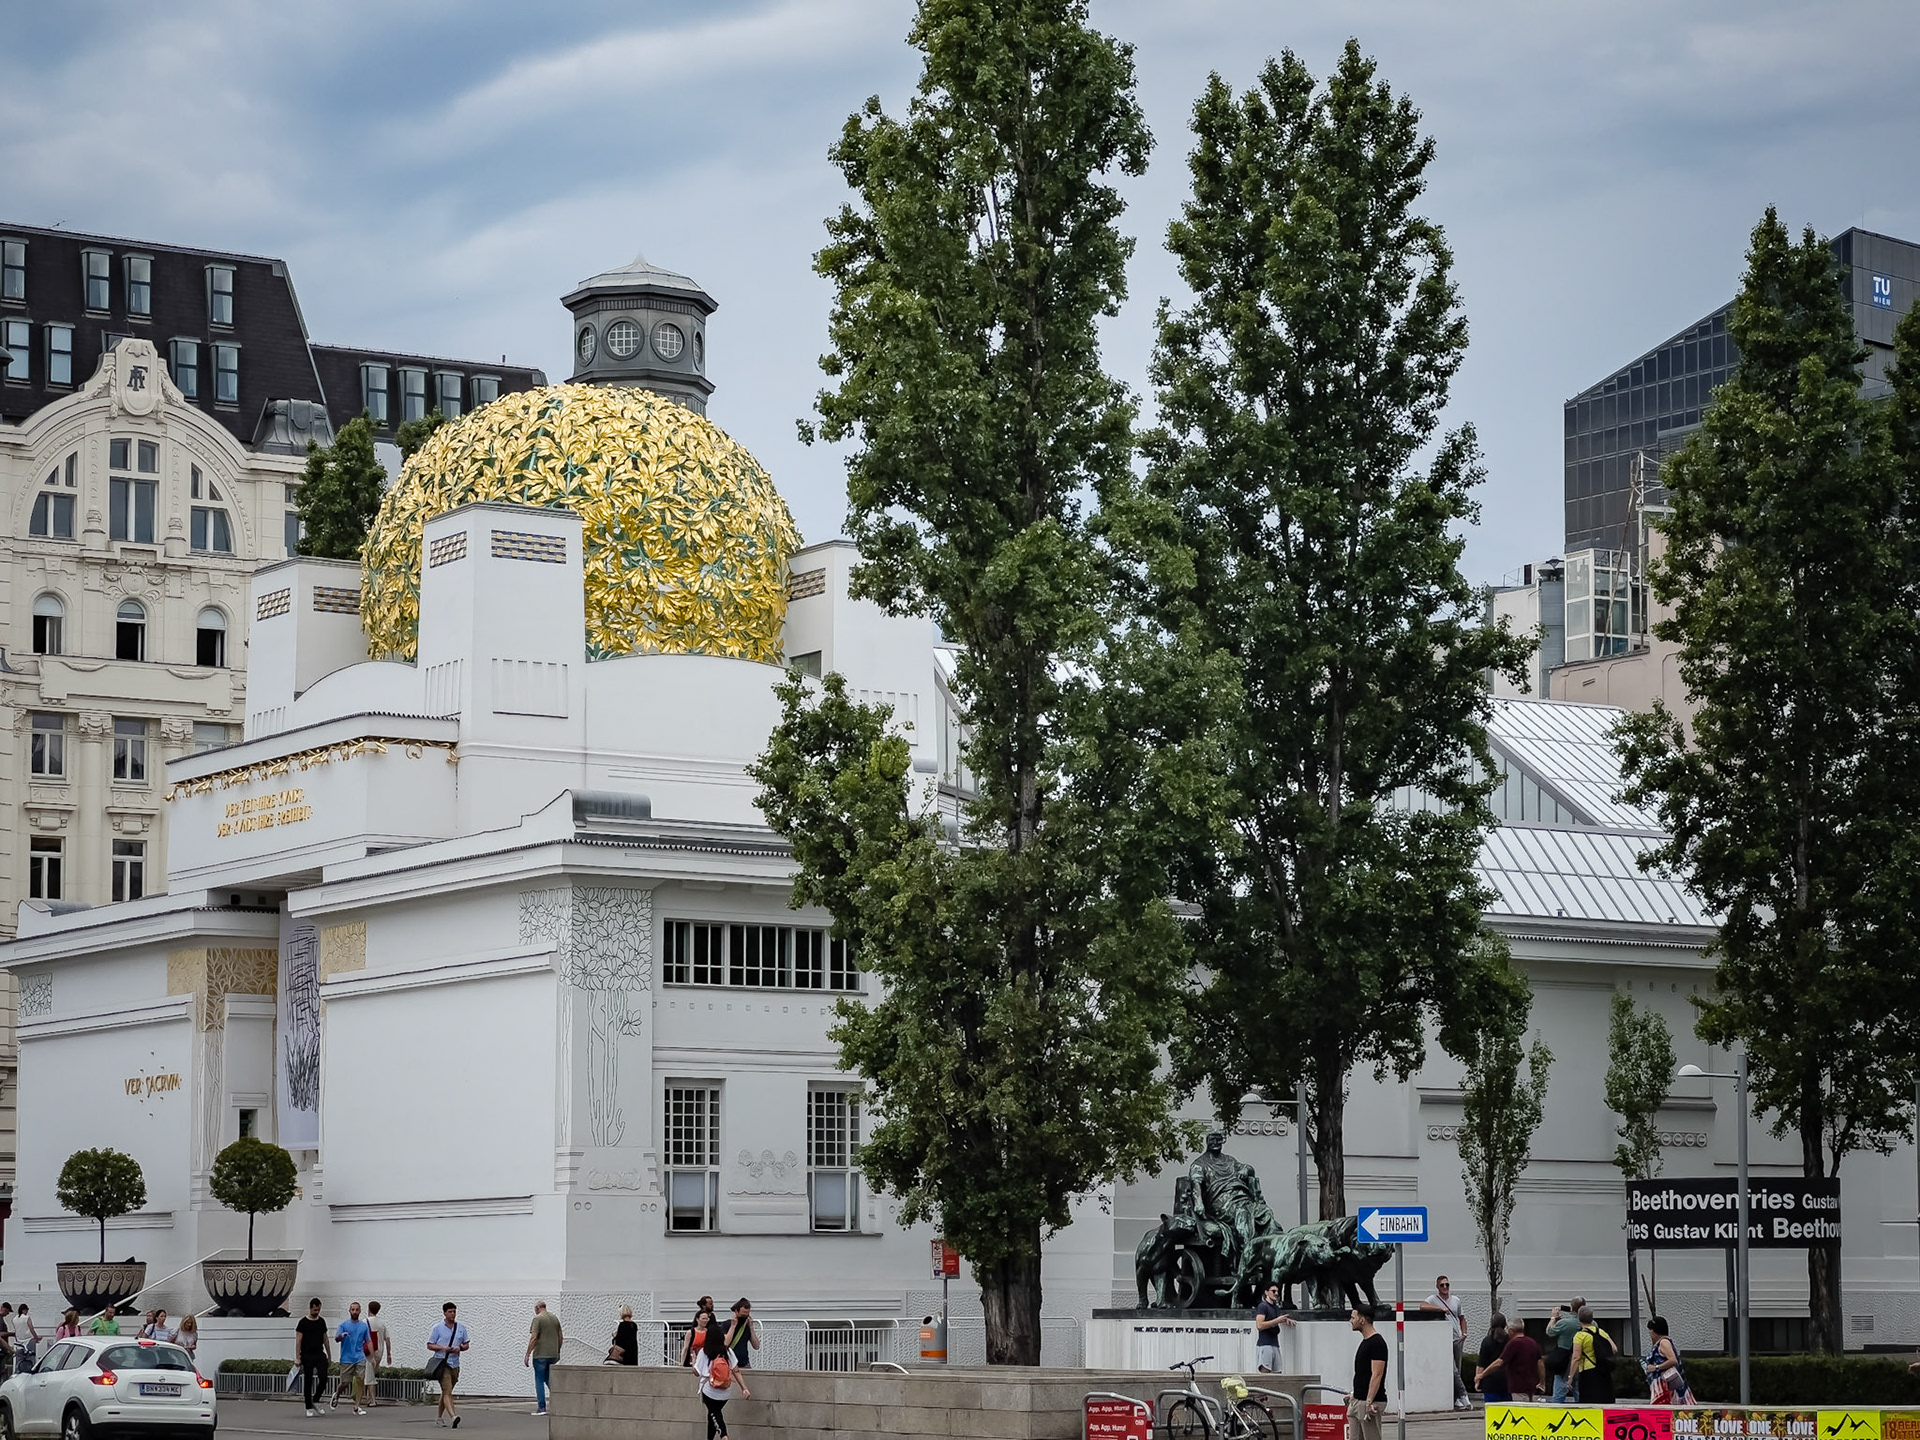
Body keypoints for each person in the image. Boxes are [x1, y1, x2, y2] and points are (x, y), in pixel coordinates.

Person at [695, 1321, 750, 1439]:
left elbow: (697, 1372)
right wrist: (744, 1388)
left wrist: (694, 1361)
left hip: (709, 1390)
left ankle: (724, 1436)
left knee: (715, 1414)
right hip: (725, 1392)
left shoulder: (704, 1352)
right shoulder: (728, 1352)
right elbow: (736, 1371)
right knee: (712, 1416)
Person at [1421, 1275, 1470, 1411]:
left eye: (1447, 1284)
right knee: (1452, 1369)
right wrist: (1439, 1309)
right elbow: (1422, 1306)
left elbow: (1462, 1318)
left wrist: (1464, 1333)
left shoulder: (1456, 1300)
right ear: (1437, 1287)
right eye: (1442, 1285)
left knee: (1457, 1369)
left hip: (1457, 1338)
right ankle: (1463, 1396)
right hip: (1444, 1339)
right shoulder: (1433, 1299)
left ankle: (1456, 1398)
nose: (1445, 1287)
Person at [1347, 1307, 1388, 1440]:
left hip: (1369, 1401)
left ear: (1362, 1320)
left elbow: (1377, 1374)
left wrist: (1369, 1401)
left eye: (1353, 1318)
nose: (1350, 1321)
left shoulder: (1377, 1343)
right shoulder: (1365, 1342)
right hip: (1358, 1400)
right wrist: (1355, 1395)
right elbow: (1362, 1373)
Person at [427, 1300, 470, 1428]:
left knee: (447, 1392)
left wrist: (460, 1348)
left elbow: (466, 1344)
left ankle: (439, 1417)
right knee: (447, 1390)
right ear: (444, 1313)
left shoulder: (461, 1328)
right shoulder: (438, 1328)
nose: (452, 1314)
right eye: (450, 1312)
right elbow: (429, 1345)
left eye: (454, 1312)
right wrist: (443, 1348)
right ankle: (453, 1416)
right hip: (442, 1362)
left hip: (455, 1363)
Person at [1568, 1306, 1615, 1403]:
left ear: (1579, 1319)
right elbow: (1614, 1348)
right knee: (1603, 1401)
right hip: (1603, 1370)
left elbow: (1576, 1357)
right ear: (1592, 1318)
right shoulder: (1601, 1332)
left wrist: (1571, 1377)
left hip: (1588, 1372)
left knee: (1588, 1402)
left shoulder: (1580, 1335)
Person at [1642, 1316, 1693, 1405]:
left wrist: (1656, 1367)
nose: (1649, 1333)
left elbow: (1673, 1360)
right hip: (1662, 1386)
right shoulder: (1661, 1343)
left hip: (1667, 1388)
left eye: (1650, 1330)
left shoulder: (1664, 1342)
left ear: (1655, 1331)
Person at [294, 1297, 331, 1417]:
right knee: (308, 1380)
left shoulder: (321, 1321)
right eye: (315, 1310)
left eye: (318, 1310)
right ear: (310, 1308)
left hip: (319, 1353)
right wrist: (298, 1357)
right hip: (307, 1354)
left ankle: (316, 1400)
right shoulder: (303, 1322)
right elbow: (298, 1340)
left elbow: (325, 1339)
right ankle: (308, 1406)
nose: (317, 1312)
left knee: (324, 1377)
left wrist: (329, 1355)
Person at [525, 1300, 563, 1416]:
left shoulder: (538, 1319)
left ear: (537, 1308)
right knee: (548, 1378)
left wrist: (527, 1354)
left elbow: (534, 1337)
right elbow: (560, 1336)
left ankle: (541, 1407)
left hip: (541, 1354)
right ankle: (561, 1402)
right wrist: (557, 1350)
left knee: (539, 1380)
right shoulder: (554, 1318)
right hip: (552, 1354)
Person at [337, 1301, 372, 1415]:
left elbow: (368, 1341)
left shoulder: (363, 1326)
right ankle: (337, 1394)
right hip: (346, 1358)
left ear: (360, 1311)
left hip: (359, 1356)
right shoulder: (343, 1325)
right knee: (345, 1383)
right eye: (353, 1309)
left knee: (361, 1379)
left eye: (357, 1310)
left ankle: (357, 1406)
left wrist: (372, 1357)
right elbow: (337, 1338)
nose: (355, 1312)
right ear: (349, 1311)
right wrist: (341, 1336)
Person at [1253, 1282, 1296, 1374]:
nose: (1276, 1293)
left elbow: (1275, 1319)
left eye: (1277, 1291)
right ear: (1266, 1292)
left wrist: (1285, 1320)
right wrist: (1277, 1320)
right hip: (1265, 1345)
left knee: (1277, 1373)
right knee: (1265, 1372)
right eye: (1273, 1291)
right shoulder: (1262, 1306)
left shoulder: (1275, 1308)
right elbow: (1259, 1325)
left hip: (1274, 1344)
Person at [1545, 1299, 1583, 1403]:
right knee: (1581, 1394)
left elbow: (1550, 1332)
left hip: (1564, 1361)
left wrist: (1553, 1318)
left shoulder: (1565, 1322)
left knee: (1559, 1394)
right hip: (1582, 1362)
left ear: (1571, 1307)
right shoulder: (1590, 1323)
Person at [1496, 1317, 1541, 1401]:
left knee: (1520, 1411)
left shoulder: (1513, 1343)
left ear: (1511, 1331)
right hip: (1532, 1386)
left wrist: (1482, 1374)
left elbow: (1499, 1362)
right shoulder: (1532, 1342)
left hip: (1518, 1387)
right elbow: (1540, 1363)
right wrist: (1542, 1382)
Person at [1473, 1312, 1510, 1404]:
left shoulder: (1487, 1341)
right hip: (1507, 1380)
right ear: (1505, 1324)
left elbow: (1481, 1363)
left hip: (1490, 1382)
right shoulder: (1509, 1340)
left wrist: (1478, 1379)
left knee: (1492, 1412)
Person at [364, 1302, 391, 1409]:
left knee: (369, 1376)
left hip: (368, 1352)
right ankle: (368, 1398)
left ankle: (373, 1400)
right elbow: (387, 1340)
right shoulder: (382, 1323)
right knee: (371, 1373)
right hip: (379, 1351)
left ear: (369, 1309)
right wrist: (389, 1354)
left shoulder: (365, 1322)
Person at [725, 1300, 760, 1371]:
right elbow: (725, 1343)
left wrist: (751, 1328)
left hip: (744, 1363)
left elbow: (756, 1346)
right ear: (736, 1312)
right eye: (742, 1315)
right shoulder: (726, 1325)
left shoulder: (747, 1327)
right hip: (729, 1363)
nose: (744, 1317)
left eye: (747, 1315)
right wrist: (733, 1327)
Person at [681, 1297, 716, 1366]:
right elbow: (685, 1348)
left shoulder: (712, 1317)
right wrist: (682, 1363)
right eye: (710, 1304)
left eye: (707, 1319)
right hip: (693, 1358)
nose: (705, 1320)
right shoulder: (692, 1332)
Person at [14, 1305, 39, 1371]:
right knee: (30, 1359)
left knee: (19, 1360)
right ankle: (30, 1372)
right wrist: (36, 1338)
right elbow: (31, 1328)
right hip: (29, 1340)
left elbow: (16, 1331)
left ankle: (19, 1372)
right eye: (27, 1310)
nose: (27, 1311)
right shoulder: (27, 1318)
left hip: (19, 1342)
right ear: (23, 1310)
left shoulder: (14, 1319)